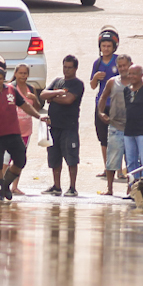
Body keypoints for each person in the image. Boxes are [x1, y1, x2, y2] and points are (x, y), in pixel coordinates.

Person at [0, 56, 49, 200]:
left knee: (20, 160)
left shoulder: (11, 89)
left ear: (4, 78)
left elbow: (25, 106)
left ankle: (5, 185)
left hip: (14, 134)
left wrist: (38, 116)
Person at [40, 55, 86, 197]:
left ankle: (72, 187)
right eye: (65, 67)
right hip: (54, 126)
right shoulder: (57, 81)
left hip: (69, 126)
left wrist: (52, 98)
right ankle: (56, 186)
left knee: (71, 157)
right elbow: (42, 94)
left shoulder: (77, 84)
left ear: (75, 68)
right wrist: (57, 93)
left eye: (69, 67)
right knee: (54, 157)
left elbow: (68, 100)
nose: (66, 70)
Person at [96, 53, 132, 196]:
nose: (123, 68)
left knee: (131, 160)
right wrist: (101, 113)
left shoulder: (135, 81)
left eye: (125, 65)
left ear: (130, 65)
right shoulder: (112, 82)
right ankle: (110, 188)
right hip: (115, 126)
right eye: (120, 66)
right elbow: (102, 97)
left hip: (131, 128)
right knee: (112, 159)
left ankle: (130, 189)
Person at [89, 28, 120, 175]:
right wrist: (95, 77)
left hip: (117, 105)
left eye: (109, 46)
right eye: (103, 46)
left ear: (114, 47)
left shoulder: (119, 61)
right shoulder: (97, 63)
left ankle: (119, 170)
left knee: (119, 137)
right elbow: (93, 86)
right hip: (101, 105)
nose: (106, 49)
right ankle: (107, 167)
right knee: (103, 139)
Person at [10, 64, 41, 195]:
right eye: (20, 73)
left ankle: (14, 186)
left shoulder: (31, 88)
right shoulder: (10, 88)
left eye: (25, 73)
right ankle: (3, 184)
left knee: (19, 159)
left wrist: (34, 98)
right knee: (6, 160)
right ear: (15, 74)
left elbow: (37, 108)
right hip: (11, 129)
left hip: (26, 130)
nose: (23, 76)